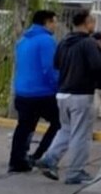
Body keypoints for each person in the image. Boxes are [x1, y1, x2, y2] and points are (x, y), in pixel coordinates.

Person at [36, 10, 101, 185]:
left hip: (62, 93)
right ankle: (75, 172)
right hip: (81, 94)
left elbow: (57, 64)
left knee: (66, 129)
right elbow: (98, 67)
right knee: (80, 134)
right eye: (93, 22)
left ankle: (49, 159)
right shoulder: (88, 43)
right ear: (87, 23)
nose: (94, 25)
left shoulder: (64, 42)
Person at [8, 10, 62, 173]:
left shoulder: (23, 40)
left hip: (22, 91)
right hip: (42, 92)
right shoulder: (46, 40)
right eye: (54, 22)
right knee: (59, 123)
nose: (55, 25)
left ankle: (17, 161)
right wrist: (58, 86)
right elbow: (49, 68)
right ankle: (39, 156)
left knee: (24, 126)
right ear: (47, 22)